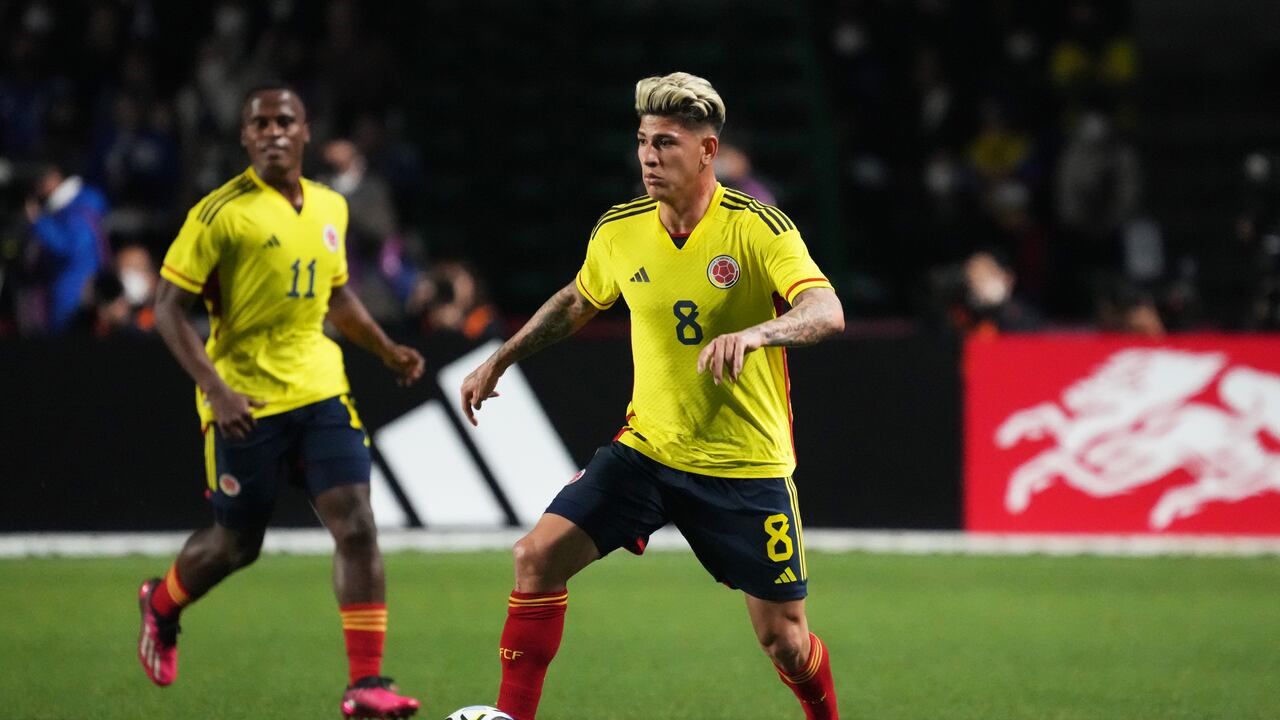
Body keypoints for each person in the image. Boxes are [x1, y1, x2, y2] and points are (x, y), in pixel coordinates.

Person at [460, 72, 845, 720]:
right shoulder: (621, 228)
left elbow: (826, 310)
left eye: (665, 142)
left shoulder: (757, 229)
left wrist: (757, 333)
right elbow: (580, 300)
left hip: (743, 468)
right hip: (648, 450)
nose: (648, 155)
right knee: (535, 556)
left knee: (784, 640)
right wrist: (502, 357)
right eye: (642, 141)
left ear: (707, 150)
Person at [136, 84, 425, 720]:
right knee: (237, 546)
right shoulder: (219, 213)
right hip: (244, 400)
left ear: (305, 131)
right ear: (245, 137)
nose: (272, 131)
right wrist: (215, 387)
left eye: (284, 120)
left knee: (356, 523)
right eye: (259, 122)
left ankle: (366, 684)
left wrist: (384, 349)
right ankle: (162, 603)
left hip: (321, 389)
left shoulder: (328, 205)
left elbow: (338, 295)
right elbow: (165, 309)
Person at [24, 163, 109, 334]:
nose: (37, 188)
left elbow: (68, 247)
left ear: (55, 177)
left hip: (75, 291)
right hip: (61, 287)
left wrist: (38, 221)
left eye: (40, 181)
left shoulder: (80, 206)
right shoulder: (62, 208)